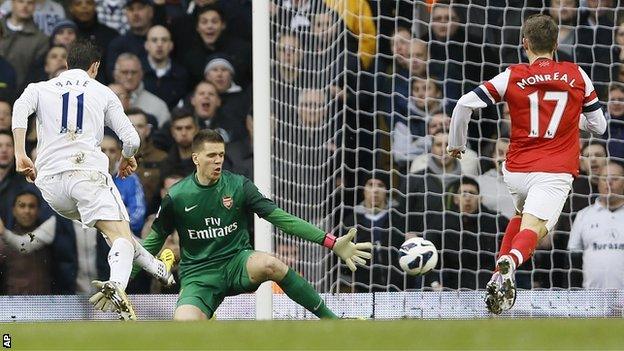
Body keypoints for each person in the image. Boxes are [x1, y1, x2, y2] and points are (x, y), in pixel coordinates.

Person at [447, 14, 607, 314]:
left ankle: (498, 276)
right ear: (556, 44)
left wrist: (456, 144)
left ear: (525, 44)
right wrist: (572, 119)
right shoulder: (576, 75)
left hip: (516, 169)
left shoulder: (512, 75)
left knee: (520, 217)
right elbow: (599, 127)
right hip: (554, 170)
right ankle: (511, 262)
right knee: (539, 226)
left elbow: (464, 103)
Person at [11, 39, 174, 320]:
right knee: (119, 235)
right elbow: (132, 138)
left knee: (114, 234)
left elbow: (19, 109)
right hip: (85, 175)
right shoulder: (103, 92)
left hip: (50, 185)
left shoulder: (39, 88)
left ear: (66, 63)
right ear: (95, 67)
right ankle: (118, 286)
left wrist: (20, 153)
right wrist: (127, 157)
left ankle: (160, 269)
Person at [133, 129, 373, 320]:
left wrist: (330, 242)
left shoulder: (238, 186)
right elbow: (152, 242)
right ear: (196, 158)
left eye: (221, 155)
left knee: (271, 263)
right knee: (184, 325)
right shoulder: (177, 195)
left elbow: (282, 219)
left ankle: (332, 322)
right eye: (211, 156)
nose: (218, 161)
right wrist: (121, 282)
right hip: (199, 275)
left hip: (237, 263)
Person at [568, 160, 624, 289]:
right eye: (604, 178)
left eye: (615, 178)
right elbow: (573, 258)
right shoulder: (584, 215)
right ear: (598, 183)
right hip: (592, 298)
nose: (609, 183)